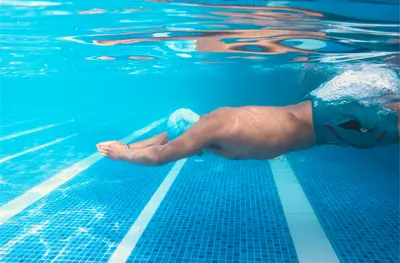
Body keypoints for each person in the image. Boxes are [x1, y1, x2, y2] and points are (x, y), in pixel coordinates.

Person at [97, 67, 400, 166]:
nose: (197, 152)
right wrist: (132, 145)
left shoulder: (212, 128)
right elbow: (164, 139)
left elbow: (162, 154)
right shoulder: (212, 124)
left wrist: (123, 155)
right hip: (324, 116)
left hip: (329, 119)